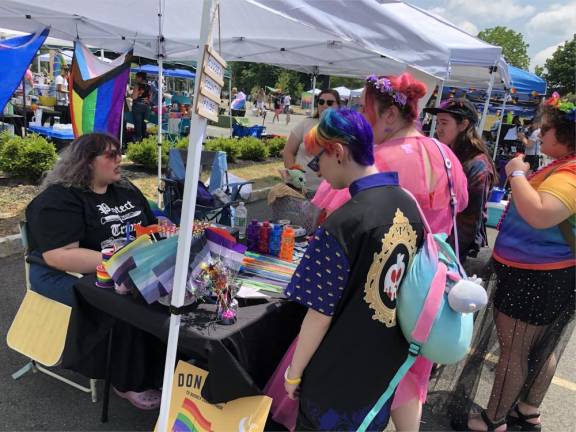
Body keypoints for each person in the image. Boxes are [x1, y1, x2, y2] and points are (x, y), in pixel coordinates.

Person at [311, 73, 468, 430]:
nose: (364, 121)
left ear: (391, 116)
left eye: (367, 112)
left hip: (379, 288)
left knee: (365, 379)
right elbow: (462, 206)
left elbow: (331, 212)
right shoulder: (447, 156)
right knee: (412, 371)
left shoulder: (381, 158)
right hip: (427, 289)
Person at [283, 108, 425, 431]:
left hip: (337, 377)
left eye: (318, 160)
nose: (317, 172)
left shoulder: (344, 222)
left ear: (338, 151)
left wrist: (293, 373)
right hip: (383, 370)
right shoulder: (408, 204)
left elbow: (318, 316)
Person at [451, 94, 575, 431]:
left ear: (565, 134)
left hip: (536, 275)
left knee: (514, 349)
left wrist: (517, 175)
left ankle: (494, 420)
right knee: (538, 347)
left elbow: (540, 214)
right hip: (543, 272)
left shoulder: (571, 171)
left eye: (546, 128)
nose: (540, 133)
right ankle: (527, 409)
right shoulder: (563, 164)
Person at [26, 133, 166, 410]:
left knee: (175, 286)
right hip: (73, 272)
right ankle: (128, 379)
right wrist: (125, 261)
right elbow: (58, 256)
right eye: (111, 155)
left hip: (129, 262)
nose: (120, 160)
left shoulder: (124, 188)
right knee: (129, 301)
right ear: (86, 162)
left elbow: (153, 223)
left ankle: (164, 365)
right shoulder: (60, 199)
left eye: (120, 152)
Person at [425, 98, 496, 262]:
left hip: (455, 252)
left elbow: (469, 223)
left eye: (444, 123)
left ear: (463, 125)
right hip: (437, 242)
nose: (438, 129)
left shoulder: (478, 165)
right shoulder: (447, 154)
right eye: (438, 123)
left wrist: (444, 257)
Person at [282, 89, 341, 196]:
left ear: (338, 105)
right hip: (301, 189)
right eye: (321, 102)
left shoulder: (343, 129)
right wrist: (294, 176)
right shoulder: (306, 123)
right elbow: (288, 151)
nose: (325, 105)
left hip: (329, 193)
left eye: (330, 102)